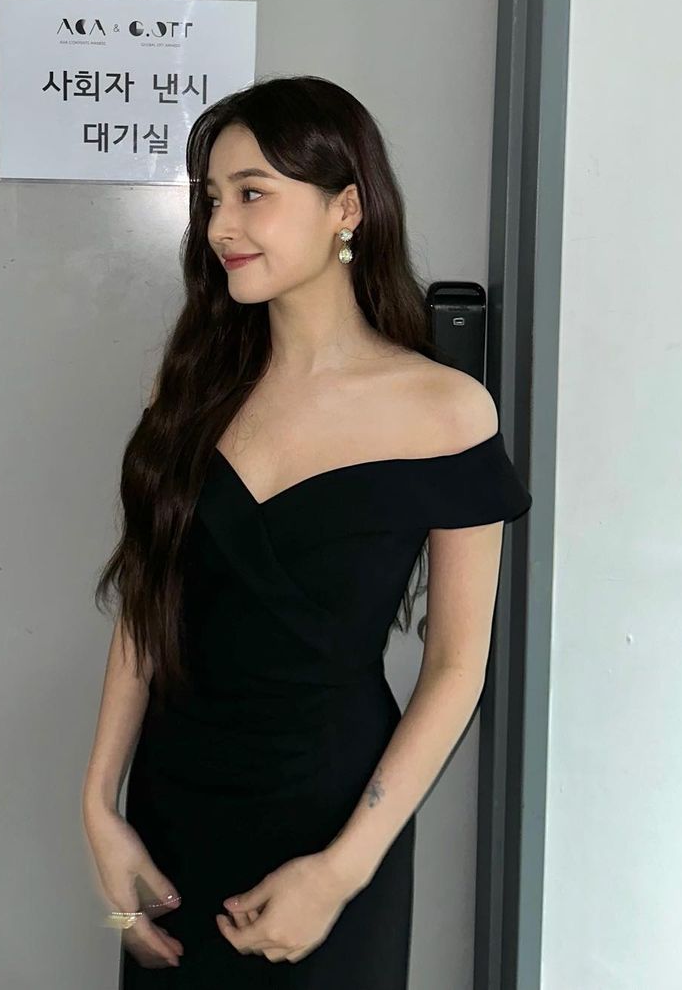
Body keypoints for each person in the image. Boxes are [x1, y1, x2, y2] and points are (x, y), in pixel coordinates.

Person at [81, 74, 532, 987]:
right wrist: (98, 808)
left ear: (346, 208)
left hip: (336, 825)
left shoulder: (447, 411)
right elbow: (147, 602)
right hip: (173, 816)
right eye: (212, 198)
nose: (220, 226)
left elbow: (456, 665)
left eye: (253, 193)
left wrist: (342, 870)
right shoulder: (190, 391)